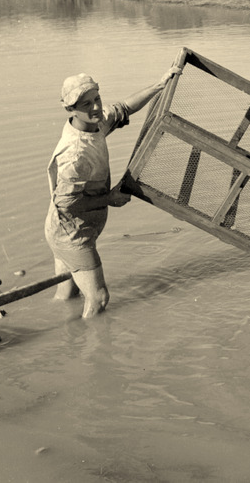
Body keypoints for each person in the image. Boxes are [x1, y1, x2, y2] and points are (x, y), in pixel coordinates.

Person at [45, 67, 181, 318]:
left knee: (67, 297)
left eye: (97, 99)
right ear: (70, 109)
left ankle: (64, 341)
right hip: (72, 234)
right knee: (99, 299)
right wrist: (110, 198)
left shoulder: (94, 123)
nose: (95, 107)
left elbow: (124, 108)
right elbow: (66, 205)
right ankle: (89, 352)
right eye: (86, 104)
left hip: (64, 228)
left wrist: (159, 85)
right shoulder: (74, 155)